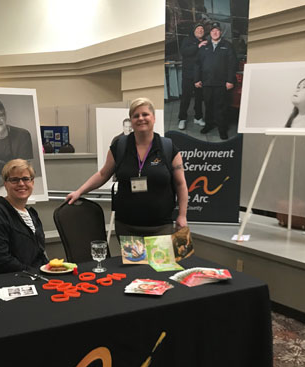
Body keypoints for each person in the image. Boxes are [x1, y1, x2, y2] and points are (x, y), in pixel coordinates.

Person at [67, 98, 188, 237]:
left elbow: (180, 184)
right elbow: (103, 174)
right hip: (127, 227)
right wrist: (79, 192)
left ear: (153, 118)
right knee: (134, 260)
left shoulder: (168, 147)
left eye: (145, 114)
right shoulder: (120, 146)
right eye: (136, 116)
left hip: (160, 227)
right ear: (131, 121)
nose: (141, 118)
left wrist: (182, 215)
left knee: (159, 260)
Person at [0, 159, 47, 276]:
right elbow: (0, 260)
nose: (21, 184)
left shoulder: (32, 213)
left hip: (32, 276)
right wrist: (35, 273)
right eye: (14, 180)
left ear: (32, 182)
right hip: (8, 280)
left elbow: (39, 253)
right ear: (5, 184)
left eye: (25, 179)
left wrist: (50, 269)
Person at [195, 22, 238, 140]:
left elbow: (232, 64)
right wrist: (197, 79)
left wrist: (230, 80)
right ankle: (209, 125)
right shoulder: (205, 46)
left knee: (221, 107)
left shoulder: (227, 46)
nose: (215, 32)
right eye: (213, 30)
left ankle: (222, 129)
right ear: (210, 33)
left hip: (221, 83)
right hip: (207, 83)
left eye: (217, 30)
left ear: (221, 32)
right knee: (208, 105)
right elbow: (198, 64)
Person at [178, 23, 207, 130]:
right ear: (194, 31)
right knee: (186, 98)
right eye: (198, 28)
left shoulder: (206, 41)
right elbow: (184, 52)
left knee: (199, 98)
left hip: (200, 76)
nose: (200, 30)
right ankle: (182, 118)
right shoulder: (187, 40)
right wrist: (197, 46)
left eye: (202, 29)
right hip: (188, 75)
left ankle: (198, 117)